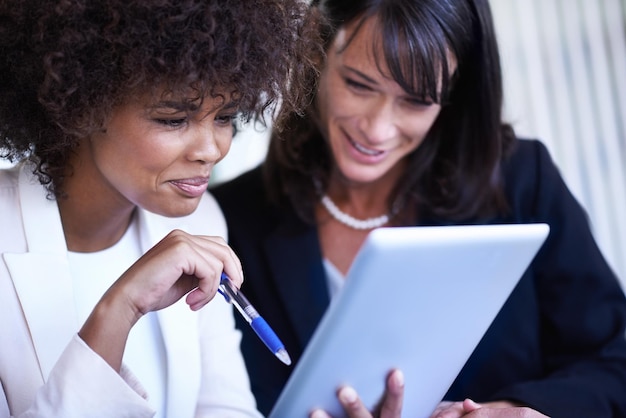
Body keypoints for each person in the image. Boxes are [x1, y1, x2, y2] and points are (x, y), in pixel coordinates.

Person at [211, 0, 626, 417]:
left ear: (455, 95)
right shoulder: (229, 222)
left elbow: (615, 359)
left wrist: (524, 411)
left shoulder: (520, 181)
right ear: (317, 50)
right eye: (358, 84)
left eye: (416, 101)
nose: (377, 129)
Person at [0, 0, 321, 416]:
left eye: (226, 116)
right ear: (81, 102)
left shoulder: (204, 222)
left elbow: (224, 408)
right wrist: (121, 308)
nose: (212, 150)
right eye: (173, 119)